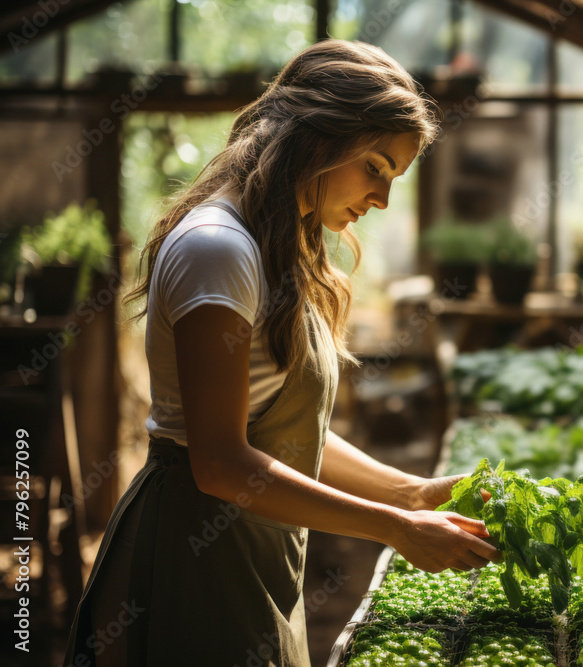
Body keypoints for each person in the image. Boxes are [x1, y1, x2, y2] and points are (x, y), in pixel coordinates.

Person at [63, 39, 501, 666]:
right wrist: (395, 530)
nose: (382, 199)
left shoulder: (276, 242)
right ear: (319, 135)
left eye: (394, 177)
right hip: (195, 555)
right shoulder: (218, 248)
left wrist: (410, 493)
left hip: (250, 551)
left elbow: (285, 434)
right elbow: (220, 463)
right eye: (375, 166)